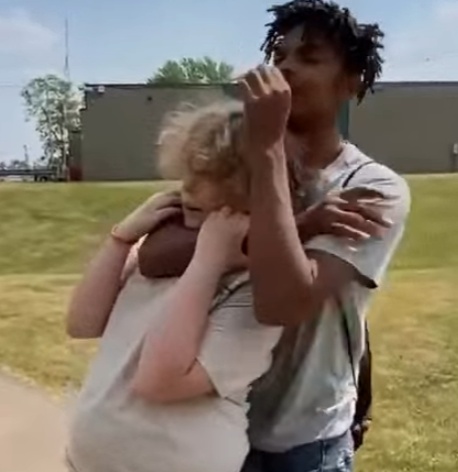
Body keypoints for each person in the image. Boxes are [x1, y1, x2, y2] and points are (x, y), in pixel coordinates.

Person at [139, 1, 411, 471]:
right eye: (279, 55)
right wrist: (298, 217)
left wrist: (265, 151)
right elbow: (156, 254)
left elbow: (281, 303)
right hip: (214, 427)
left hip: (304, 441)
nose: (284, 67)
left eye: (309, 57)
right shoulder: (234, 157)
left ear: (351, 83)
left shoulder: (369, 187)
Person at [65, 101, 284, 472]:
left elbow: (159, 382)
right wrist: (121, 240)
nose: (187, 188)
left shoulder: (255, 291)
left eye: (212, 173)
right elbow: (81, 323)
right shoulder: (160, 248)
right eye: (188, 171)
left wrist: (209, 260)